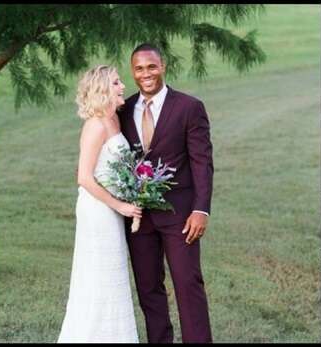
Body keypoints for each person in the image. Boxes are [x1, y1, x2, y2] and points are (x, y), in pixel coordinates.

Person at [119, 44, 214, 342]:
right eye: (139, 68)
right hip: (138, 217)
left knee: (188, 283)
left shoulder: (188, 107)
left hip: (181, 215)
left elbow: (202, 162)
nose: (146, 73)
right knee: (148, 288)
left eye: (151, 66)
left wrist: (201, 209)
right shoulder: (123, 110)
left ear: (163, 66)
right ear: (133, 72)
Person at [59, 66, 142, 342]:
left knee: (112, 277)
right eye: (117, 82)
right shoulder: (95, 124)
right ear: (104, 88)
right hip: (98, 211)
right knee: (96, 276)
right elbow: (83, 177)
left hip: (112, 210)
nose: (122, 86)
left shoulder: (115, 120)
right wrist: (119, 206)